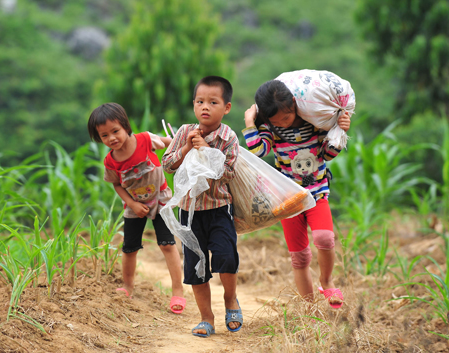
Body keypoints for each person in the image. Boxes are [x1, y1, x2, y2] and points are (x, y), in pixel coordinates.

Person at [242, 79, 351, 309]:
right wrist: (250, 123)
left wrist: (340, 130)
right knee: (299, 257)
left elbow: (328, 154)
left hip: (317, 193)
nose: (282, 123)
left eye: (286, 117)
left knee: (324, 238)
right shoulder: (271, 129)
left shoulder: (314, 124)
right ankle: (308, 308)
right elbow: (258, 151)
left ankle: (327, 281)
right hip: (288, 199)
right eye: (276, 121)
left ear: (294, 104)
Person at [87, 102, 186, 314]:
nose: (112, 138)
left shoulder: (145, 140)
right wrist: (131, 203)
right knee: (129, 248)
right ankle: (128, 286)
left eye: (115, 131)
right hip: (134, 205)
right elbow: (116, 184)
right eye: (105, 135)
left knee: (167, 244)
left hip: (160, 199)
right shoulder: (110, 162)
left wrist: (183, 146)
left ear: (125, 126)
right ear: (99, 138)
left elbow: (171, 143)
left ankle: (177, 291)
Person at [162, 76, 242, 337]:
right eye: (200, 101)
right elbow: (168, 165)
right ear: (194, 104)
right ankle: (206, 318)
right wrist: (186, 147)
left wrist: (208, 151)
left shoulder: (228, 137)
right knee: (196, 267)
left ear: (226, 107)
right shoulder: (185, 132)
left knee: (226, 258)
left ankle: (231, 300)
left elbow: (229, 174)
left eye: (213, 102)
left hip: (219, 208)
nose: (205, 107)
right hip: (189, 212)